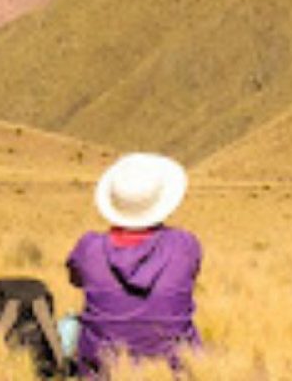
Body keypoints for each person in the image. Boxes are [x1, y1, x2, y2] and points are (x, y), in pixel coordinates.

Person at [66, 153, 201, 377]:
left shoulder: (89, 247)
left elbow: (75, 279)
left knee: (68, 326)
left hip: (103, 371)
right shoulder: (185, 244)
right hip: (175, 371)